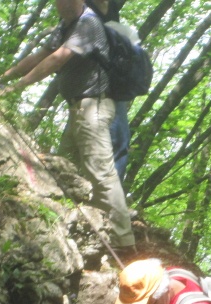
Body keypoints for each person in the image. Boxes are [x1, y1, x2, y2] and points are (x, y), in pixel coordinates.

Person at [0, 0, 136, 255]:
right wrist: (6, 76)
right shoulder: (65, 25)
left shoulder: (89, 23)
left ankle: (124, 244)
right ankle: (85, 228)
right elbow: (41, 55)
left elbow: (57, 59)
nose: (60, 4)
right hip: (78, 109)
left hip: (94, 106)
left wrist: (17, 87)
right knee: (66, 166)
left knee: (101, 172)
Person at [85, 0, 131, 182]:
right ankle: (105, 194)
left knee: (120, 140)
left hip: (114, 81)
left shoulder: (110, 7)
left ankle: (108, 192)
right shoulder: (83, 8)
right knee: (111, 138)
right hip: (93, 82)